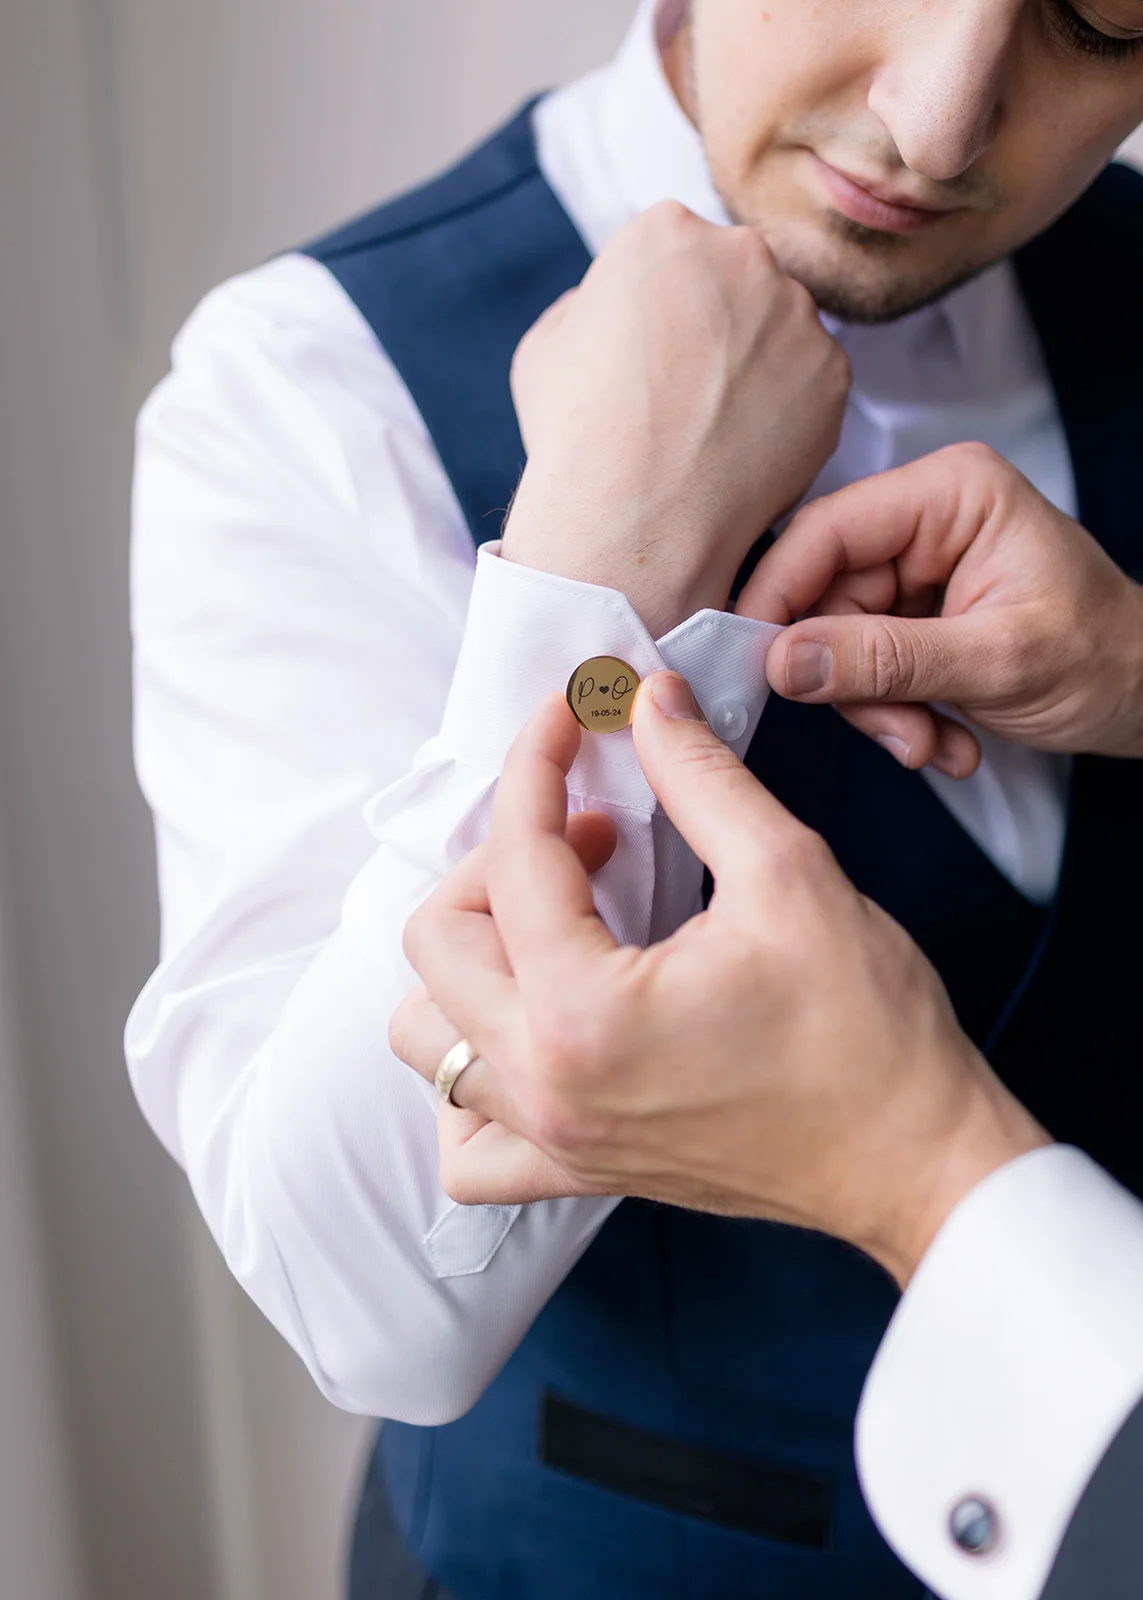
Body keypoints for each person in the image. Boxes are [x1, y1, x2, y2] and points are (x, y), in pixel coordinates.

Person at [124, 1, 1143, 1596]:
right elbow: (365, 1307)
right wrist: (600, 566)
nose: (940, 124)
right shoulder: (305, 386)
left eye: (1103, 21)